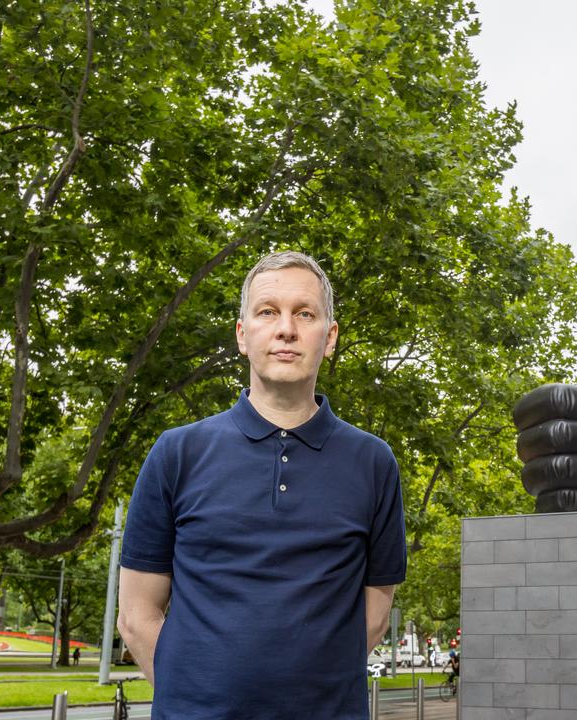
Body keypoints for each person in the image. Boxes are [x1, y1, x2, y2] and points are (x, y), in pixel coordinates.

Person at [116, 252, 407, 719]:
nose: (286, 329)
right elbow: (136, 618)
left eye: (305, 313)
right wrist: (191, 701)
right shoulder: (176, 453)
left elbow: (374, 616)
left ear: (329, 338)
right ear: (242, 334)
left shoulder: (374, 462)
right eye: (268, 311)